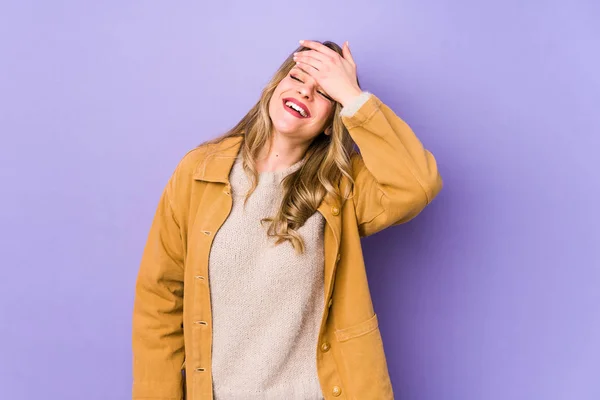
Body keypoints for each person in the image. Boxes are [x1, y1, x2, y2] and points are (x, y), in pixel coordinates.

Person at [132, 39, 443, 400]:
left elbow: (418, 184)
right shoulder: (199, 171)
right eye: (298, 77)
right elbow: (159, 301)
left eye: (324, 91)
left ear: (333, 122)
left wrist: (352, 95)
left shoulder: (341, 188)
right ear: (275, 87)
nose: (305, 92)